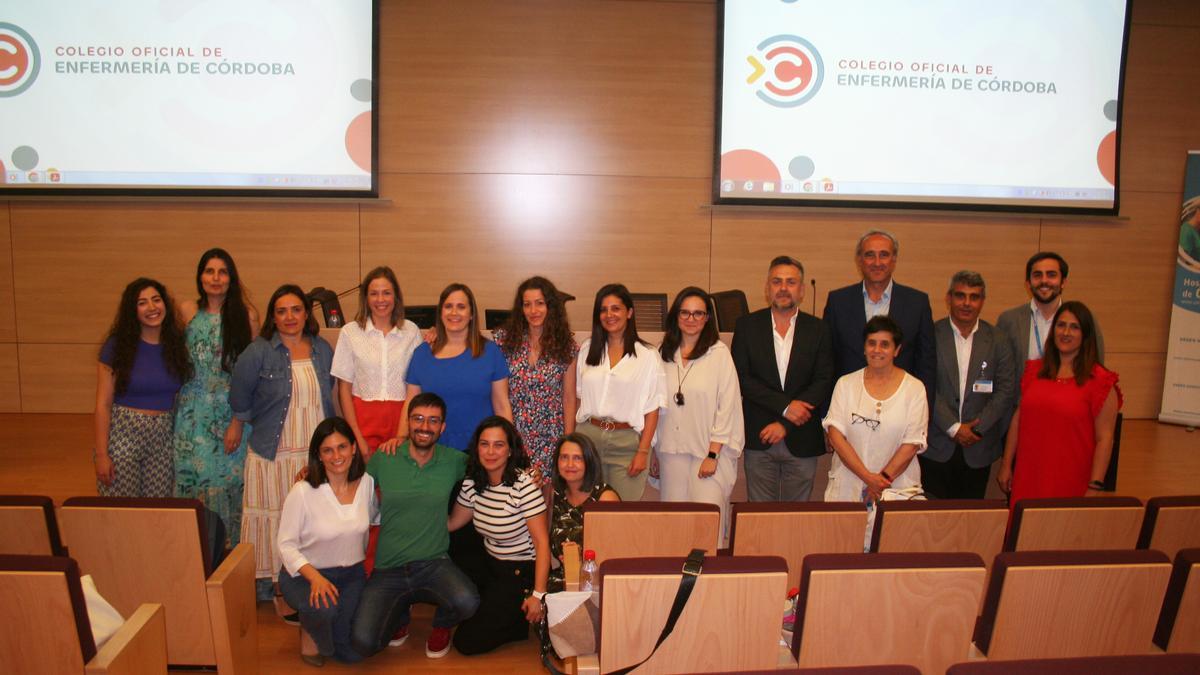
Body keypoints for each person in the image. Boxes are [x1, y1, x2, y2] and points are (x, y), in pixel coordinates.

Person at [351, 392, 480, 660]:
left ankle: (442, 624)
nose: (424, 426)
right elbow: (349, 484)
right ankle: (400, 615)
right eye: (418, 419)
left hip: (433, 564)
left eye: (433, 421)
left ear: (442, 427)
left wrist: (528, 476)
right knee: (364, 643)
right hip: (388, 569)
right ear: (408, 422)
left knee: (468, 601)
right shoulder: (385, 457)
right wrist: (312, 476)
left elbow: (492, 466)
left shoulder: (453, 460)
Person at [230, 284, 336, 603]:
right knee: (278, 520)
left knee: (310, 522)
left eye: (296, 310)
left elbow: (330, 394)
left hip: (313, 455)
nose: (290, 317)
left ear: (306, 314)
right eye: (281, 311)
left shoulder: (322, 349)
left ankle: (309, 583)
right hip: (274, 454)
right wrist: (237, 423)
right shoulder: (258, 351)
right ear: (273, 318)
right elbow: (239, 396)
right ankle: (280, 590)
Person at [731, 256, 834, 502]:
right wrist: (786, 408)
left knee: (795, 519)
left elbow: (823, 379)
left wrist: (786, 423)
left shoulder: (819, 329)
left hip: (802, 436)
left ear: (802, 290)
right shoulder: (747, 326)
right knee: (758, 516)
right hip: (759, 434)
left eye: (791, 282)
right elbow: (741, 378)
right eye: (777, 282)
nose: (783, 288)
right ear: (767, 288)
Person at [998, 302, 1121, 503]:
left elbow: (1105, 439)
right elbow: (1018, 420)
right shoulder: (1034, 371)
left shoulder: (1100, 381)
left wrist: (1094, 485)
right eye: (1061, 325)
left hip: (1071, 480)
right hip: (1028, 476)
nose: (1066, 332)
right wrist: (1006, 465)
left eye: (1074, 327)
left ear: (1086, 335)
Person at [174, 248, 257, 545]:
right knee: (192, 483)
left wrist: (237, 421)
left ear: (231, 278)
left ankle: (228, 570)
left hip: (230, 412)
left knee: (227, 485)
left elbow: (249, 375)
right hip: (191, 415)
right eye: (209, 271)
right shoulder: (186, 311)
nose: (216, 278)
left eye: (222, 272)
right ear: (200, 276)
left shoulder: (246, 316)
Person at [276, 417, 375, 666]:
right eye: (327, 450)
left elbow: (373, 519)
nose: (336, 456)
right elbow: (286, 544)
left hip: (352, 575)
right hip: (307, 575)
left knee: (353, 654)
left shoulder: (367, 484)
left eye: (342, 447)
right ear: (318, 455)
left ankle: (321, 626)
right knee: (324, 611)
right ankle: (309, 628)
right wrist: (315, 578)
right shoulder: (303, 491)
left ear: (354, 448)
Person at [448, 417, 550, 655]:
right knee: (461, 545)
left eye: (498, 445)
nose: (491, 452)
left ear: (510, 449)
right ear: (477, 448)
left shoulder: (523, 485)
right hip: (490, 563)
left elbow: (542, 544)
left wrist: (539, 594)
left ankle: (519, 617)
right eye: (485, 444)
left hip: (519, 570)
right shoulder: (473, 482)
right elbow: (453, 523)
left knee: (466, 642)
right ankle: (509, 614)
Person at [658, 287, 744, 539]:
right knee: (673, 530)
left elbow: (727, 407)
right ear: (676, 316)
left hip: (707, 456)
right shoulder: (664, 353)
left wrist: (713, 454)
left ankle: (709, 579)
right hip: (671, 453)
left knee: (705, 530)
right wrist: (654, 448)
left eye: (698, 313)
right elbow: (656, 406)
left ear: (707, 318)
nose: (691, 319)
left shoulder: (719, 354)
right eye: (685, 313)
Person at [94, 278, 192, 497]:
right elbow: (103, 404)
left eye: (156, 300)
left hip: (163, 440)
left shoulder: (177, 345)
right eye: (142, 303)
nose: (152, 307)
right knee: (121, 511)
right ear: (132, 310)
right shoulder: (116, 346)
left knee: (156, 513)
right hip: (123, 437)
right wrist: (102, 454)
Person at [922, 271, 1016, 499]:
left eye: (974, 297)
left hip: (978, 447)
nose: (966, 303)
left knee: (970, 520)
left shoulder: (998, 339)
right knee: (931, 520)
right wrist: (954, 427)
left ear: (982, 301)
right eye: (960, 296)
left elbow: (1005, 391)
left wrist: (975, 429)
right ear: (948, 298)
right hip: (937, 444)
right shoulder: (931, 334)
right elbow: (924, 385)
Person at [391, 283, 511, 452]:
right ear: (440, 312)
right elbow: (411, 402)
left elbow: (502, 405)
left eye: (461, 307)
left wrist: (510, 444)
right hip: (434, 451)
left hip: (481, 452)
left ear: (471, 314)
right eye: (448, 307)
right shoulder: (422, 354)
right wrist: (402, 437)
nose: (454, 313)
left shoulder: (490, 352)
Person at [823, 230, 936, 410]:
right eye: (870, 255)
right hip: (849, 407)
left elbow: (926, 365)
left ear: (894, 259)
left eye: (884, 255)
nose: (877, 263)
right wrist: (827, 415)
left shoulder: (917, 303)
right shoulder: (838, 301)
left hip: (901, 408)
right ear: (859, 259)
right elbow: (827, 362)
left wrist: (924, 413)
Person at [574, 283, 667, 501]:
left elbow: (652, 410)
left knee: (621, 515)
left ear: (630, 312)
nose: (609, 315)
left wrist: (643, 452)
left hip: (627, 444)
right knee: (586, 512)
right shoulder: (587, 349)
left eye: (616, 308)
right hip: (589, 438)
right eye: (603, 309)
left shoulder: (648, 355)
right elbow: (579, 398)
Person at [822, 315, 928, 504]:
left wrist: (882, 481)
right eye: (871, 343)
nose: (877, 350)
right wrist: (868, 478)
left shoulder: (914, 388)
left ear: (897, 350)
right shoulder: (845, 384)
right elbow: (835, 436)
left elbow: (912, 443)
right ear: (864, 347)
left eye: (885, 344)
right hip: (848, 486)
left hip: (897, 488)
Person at [492, 276, 579, 485]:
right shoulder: (503, 341)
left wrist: (566, 443)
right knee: (514, 497)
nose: (533, 311)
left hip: (551, 436)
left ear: (550, 306)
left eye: (540, 303)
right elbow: (499, 395)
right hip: (515, 434)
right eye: (527, 304)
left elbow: (568, 398)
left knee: (547, 502)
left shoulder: (566, 346)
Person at [331, 266, 422, 461]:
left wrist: (402, 434)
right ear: (365, 298)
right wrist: (356, 436)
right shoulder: (350, 332)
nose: (381, 300)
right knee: (365, 484)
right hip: (363, 421)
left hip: (402, 420)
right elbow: (343, 390)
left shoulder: (411, 331)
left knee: (396, 484)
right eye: (374, 294)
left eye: (386, 293)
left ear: (396, 296)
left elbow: (418, 383)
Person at [996, 252, 1106, 368]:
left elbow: (1096, 365)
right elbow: (1000, 369)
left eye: (1051, 275)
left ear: (1063, 282)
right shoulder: (1009, 320)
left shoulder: (1083, 318)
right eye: (1037, 275)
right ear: (1028, 283)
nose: (1044, 281)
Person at [546, 433, 619, 592]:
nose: (569, 464)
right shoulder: (554, 493)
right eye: (564, 457)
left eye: (577, 458)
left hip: (597, 583)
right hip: (561, 580)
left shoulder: (605, 498)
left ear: (589, 462)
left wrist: (581, 557)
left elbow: (617, 551)